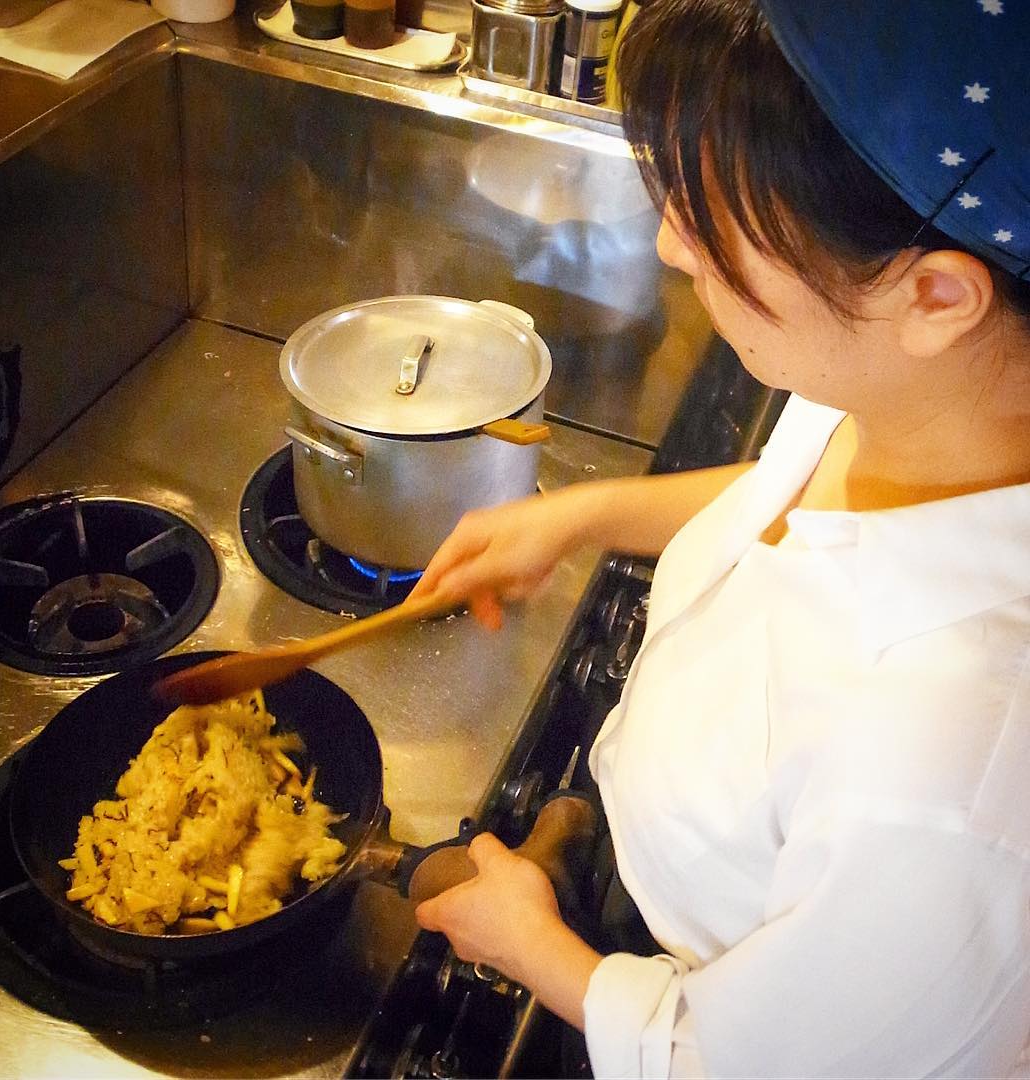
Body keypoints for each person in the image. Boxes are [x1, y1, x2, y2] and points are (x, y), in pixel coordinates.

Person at [407, 0, 1030, 1075]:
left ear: (936, 294)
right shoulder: (917, 390)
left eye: (718, 217)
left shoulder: (951, 768)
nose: (669, 244)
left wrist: (543, 953)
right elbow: (794, 501)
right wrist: (590, 515)